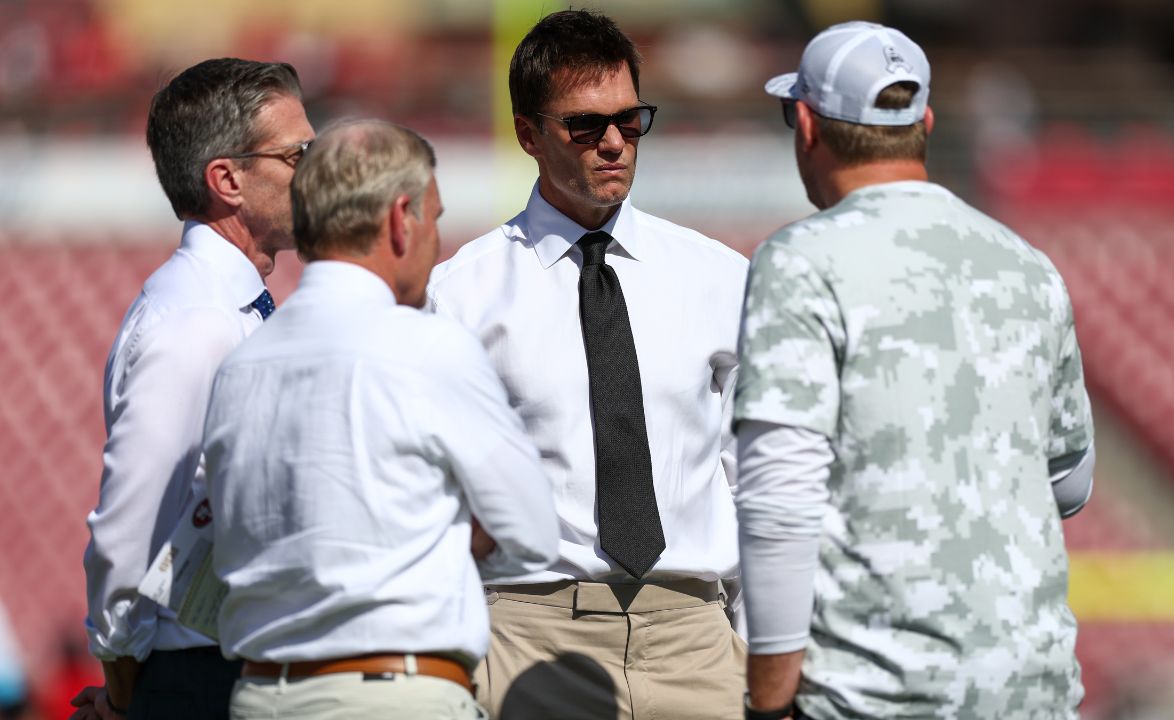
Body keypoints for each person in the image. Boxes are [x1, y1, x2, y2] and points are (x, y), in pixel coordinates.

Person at [734, 21, 1095, 720]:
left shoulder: (802, 261)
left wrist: (770, 695)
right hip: (1034, 688)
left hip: (877, 692)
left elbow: (781, 497)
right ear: (923, 122)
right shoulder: (1026, 265)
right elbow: (1070, 480)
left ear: (806, 124)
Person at [427, 9, 749, 719]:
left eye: (630, 122)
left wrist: (758, 645)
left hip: (695, 636)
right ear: (527, 134)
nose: (613, 144)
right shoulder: (461, 295)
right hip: (530, 635)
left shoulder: (721, 279)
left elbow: (753, 475)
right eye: (584, 126)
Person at [205, 119, 559, 720]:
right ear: (400, 219)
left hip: (260, 694)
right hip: (394, 692)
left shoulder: (241, 364)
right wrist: (436, 533)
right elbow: (532, 533)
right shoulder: (426, 347)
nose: (437, 242)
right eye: (434, 218)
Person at [74, 58, 314, 720]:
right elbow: (130, 534)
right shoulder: (196, 324)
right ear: (227, 179)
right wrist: (129, 692)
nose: (317, 172)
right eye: (299, 154)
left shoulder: (224, 308)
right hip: (202, 675)